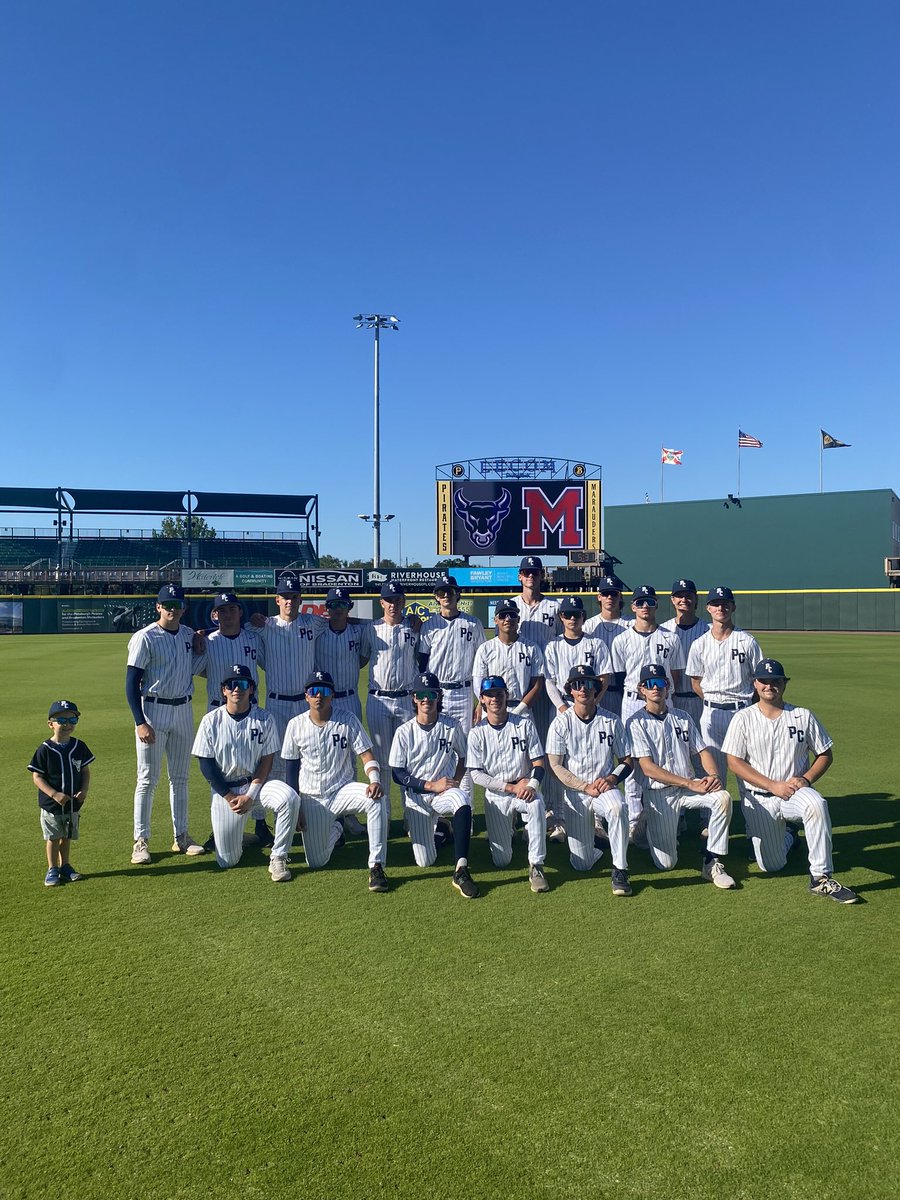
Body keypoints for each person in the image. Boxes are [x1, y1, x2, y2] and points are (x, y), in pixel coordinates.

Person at [723, 658, 859, 903]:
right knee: (772, 865)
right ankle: (789, 835)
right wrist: (771, 785)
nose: (769, 686)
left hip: (794, 793)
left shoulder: (802, 715)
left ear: (784, 684)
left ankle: (820, 878)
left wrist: (806, 779)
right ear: (755, 684)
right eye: (764, 681)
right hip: (759, 798)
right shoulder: (742, 718)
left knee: (816, 804)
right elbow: (734, 762)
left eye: (776, 681)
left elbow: (825, 754)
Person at [626, 664, 737, 889]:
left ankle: (712, 862)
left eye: (660, 683)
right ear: (641, 690)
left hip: (687, 788)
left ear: (668, 687)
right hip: (659, 793)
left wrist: (713, 775)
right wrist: (689, 783)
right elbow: (647, 768)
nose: (656, 688)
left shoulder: (683, 717)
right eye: (650, 684)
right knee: (666, 864)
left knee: (722, 798)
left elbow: (703, 751)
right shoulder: (635, 722)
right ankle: (644, 824)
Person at [281, 671, 390, 892]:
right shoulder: (295, 724)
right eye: (314, 691)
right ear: (306, 696)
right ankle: (338, 827)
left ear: (332, 695)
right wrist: (297, 807)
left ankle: (376, 866)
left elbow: (366, 754)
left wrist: (374, 780)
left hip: (342, 790)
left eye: (324, 690)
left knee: (376, 800)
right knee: (317, 861)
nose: (319, 695)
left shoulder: (347, 719)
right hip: (311, 797)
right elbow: (290, 770)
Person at [191, 664, 300, 883]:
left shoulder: (264, 718)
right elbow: (206, 764)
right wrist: (230, 796)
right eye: (231, 685)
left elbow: (267, 760)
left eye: (242, 684)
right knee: (227, 860)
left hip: (257, 786)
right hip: (226, 792)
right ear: (223, 690)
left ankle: (278, 857)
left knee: (289, 798)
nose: (236, 689)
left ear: (251, 689)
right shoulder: (211, 720)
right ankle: (240, 835)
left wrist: (250, 795)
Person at [126, 583, 205, 864]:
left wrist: (200, 637)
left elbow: (204, 642)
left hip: (183, 709)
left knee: (180, 778)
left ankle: (181, 836)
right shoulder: (145, 637)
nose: (172, 609)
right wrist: (140, 721)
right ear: (158, 607)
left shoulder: (187, 635)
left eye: (177, 604)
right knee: (147, 779)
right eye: (167, 605)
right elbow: (131, 683)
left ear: (184, 608)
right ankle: (141, 841)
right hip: (153, 709)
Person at [192, 590, 273, 847]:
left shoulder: (253, 638)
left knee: (256, 766)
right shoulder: (209, 641)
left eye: (232, 609)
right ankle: (218, 827)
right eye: (222, 610)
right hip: (218, 712)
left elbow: (269, 660)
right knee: (219, 768)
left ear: (240, 612)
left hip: (253, 712)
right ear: (215, 615)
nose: (228, 614)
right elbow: (194, 669)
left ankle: (261, 823)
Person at [389, 672, 479, 899]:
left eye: (431, 694)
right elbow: (397, 774)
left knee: (462, 800)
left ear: (438, 696)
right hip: (417, 798)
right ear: (414, 698)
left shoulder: (451, 725)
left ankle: (461, 870)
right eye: (421, 695)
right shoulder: (404, 731)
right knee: (425, 861)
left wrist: (455, 781)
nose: (426, 700)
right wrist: (430, 785)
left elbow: (464, 757)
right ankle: (444, 830)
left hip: (443, 793)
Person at [545, 666, 632, 896]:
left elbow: (627, 760)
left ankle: (620, 869)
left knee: (618, 807)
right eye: (577, 684)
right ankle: (594, 846)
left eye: (588, 684)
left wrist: (612, 777)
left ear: (596, 688)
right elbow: (554, 766)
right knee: (581, 864)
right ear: (570, 691)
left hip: (604, 788)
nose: (583, 688)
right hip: (577, 792)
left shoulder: (611, 720)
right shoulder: (561, 723)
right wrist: (584, 786)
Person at [610, 585, 685, 842]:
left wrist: (664, 696)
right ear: (633, 606)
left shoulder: (670, 638)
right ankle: (635, 820)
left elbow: (675, 675)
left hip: (664, 700)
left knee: (669, 758)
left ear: (656, 605)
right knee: (632, 762)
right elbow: (620, 676)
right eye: (640, 602)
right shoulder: (621, 640)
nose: (645, 606)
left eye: (649, 601)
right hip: (632, 702)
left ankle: (672, 816)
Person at [465, 675, 550, 893]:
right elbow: (476, 775)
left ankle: (536, 865)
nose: (495, 699)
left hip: (524, 788)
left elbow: (539, 763)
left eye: (499, 694)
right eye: (490, 695)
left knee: (536, 804)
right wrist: (510, 787)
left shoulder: (524, 724)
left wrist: (531, 785)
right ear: (482, 699)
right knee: (502, 860)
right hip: (497, 794)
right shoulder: (476, 732)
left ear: (506, 695)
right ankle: (507, 830)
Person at [249, 572, 329, 780]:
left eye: (294, 597)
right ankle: (280, 801)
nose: (290, 601)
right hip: (277, 703)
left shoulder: (313, 622)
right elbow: (231, 628)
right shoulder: (265, 625)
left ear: (300, 600)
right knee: (277, 760)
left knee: (309, 757)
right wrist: (200, 634)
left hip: (305, 703)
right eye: (285, 597)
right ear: (277, 600)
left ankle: (307, 801)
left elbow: (341, 620)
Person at [686, 586, 763, 786]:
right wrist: (713, 701)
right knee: (714, 774)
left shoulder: (747, 641)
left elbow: (760, 680)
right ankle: (714, 808)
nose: (720, 608)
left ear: (733, 607)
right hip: (711, 713)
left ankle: (752, 808)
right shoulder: (699, 644)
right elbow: (695, 682)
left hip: (742, 711)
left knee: (748, 773)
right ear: (708, 608)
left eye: (725, 604)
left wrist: (750, 707)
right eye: (715, 604)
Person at [417, 574, 485, 799]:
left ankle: (465, 807)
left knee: (464, 751)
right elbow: (422, 664)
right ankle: (437, 806)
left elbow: (482, 663)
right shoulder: (429, 626)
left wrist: (480, 701)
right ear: (436, 597)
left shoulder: (473, 623)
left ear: (458, 594)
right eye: (441, 592)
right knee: (436, 748)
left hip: (464, 692)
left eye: (450, 591)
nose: (446, 595)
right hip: (437, 694)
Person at [365, 581, 420, 814]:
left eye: (397, 600)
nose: (393, 604)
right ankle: (383, 816)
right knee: (382, 760)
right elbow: (362, 657)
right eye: (389, 600)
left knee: (409, 760)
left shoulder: (414, 627)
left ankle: (413, 815)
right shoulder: (371, 629)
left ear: (403, 602)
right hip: (379, 699)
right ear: (381, 603)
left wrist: (417, 623)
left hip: (406, 699)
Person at [27, 700, 94, 887]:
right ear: (51, 724)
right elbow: (37, 777)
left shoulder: (79, 746)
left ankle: (65, 866)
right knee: (53, 837)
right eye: (62, 720)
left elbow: (85, 771)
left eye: (72, 720)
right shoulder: (45, 749)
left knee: (67, 836)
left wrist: (84, 790)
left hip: (73, 803)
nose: (67, 725)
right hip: (52, 805)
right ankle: (52, 868)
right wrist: (54, 794)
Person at [471, 598, 544, 719]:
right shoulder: (485, 649)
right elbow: (478, 685)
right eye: (503, 615)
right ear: (495, 620)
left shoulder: (532, 648)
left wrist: (519, 711)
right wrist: (489, 707)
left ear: (518, 619)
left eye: (512, 615)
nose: (508, 619)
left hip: (522, 710)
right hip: (492, 710)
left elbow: (536, 686)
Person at [314, 587, 374, 719]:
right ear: (327, 607)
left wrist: (413, 618)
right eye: (334, 604)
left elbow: (380, 623)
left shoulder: (359, 630)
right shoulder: (316, 630)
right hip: (324, 697)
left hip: (350, 698)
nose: (338, 608)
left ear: (350, 607)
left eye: (343, 604)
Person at [660, 579, 709, 726]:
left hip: (701, 700)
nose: (684, 600)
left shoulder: (709, 630)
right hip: (671, 700)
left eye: (688, 596)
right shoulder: (662, 631)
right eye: (679, 596)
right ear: (672, 599)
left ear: (696, 599)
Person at [583, 575, 630, 716]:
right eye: (605, 593)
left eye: (614, 593)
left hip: (624, 692)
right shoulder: (589, 626)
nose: (610, 597)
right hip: (596, 692)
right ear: (599, 597)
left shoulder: (632, 624)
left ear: (620, 596)